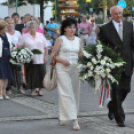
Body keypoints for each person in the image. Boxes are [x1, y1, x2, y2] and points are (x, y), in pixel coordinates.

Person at [99, 6, 134, 127]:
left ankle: (112, 106)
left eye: (120, 13)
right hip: (113, 65)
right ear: (111, 15)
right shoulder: (104, 29)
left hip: (128, 63)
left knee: (126, 89)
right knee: (116, 90)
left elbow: (132, 45)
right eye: (116, 14)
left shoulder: (129, 26)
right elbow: (101, 48)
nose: (118, 15)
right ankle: (120, 117)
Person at [51, 17, 83, 130]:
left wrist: (93, 61)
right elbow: (53, 55)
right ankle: (74, 120)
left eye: (74, 27)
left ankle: (62, 115)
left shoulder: (78, 40)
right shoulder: (60, 39)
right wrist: (62, 60)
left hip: (75, 69)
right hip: (62, 68)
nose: (72, 29)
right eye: (70, 27)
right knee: (66, 93)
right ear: (65, 28)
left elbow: (81, 54)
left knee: (73, 93)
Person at [18, 21, 48, 96]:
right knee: (31, 75)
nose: (32, 29)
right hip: (30, 60)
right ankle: (32, 90)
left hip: (41, 58)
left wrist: (46, 57)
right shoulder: (24, 36)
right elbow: (19, 46)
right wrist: (23, 55)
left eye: (33, 27)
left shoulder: (40, 35)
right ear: (28, 28)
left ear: (36, 28)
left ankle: (40, 89)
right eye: (30, 28)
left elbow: (46, 47)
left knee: (41, 73)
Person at [6, 18, 25, 94]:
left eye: (11, 23)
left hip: (17, 55)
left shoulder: (17, 33)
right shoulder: (4, 33)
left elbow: (21, 44)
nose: (10, 25)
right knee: (9, 71)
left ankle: (19, 87)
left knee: (18, 71)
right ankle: (9, 87)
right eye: (8, 23)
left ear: (14, 24)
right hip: (7, 55)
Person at [0, 21, 14, 100]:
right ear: (1, 29)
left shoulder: (7, 35)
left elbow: (11, 44)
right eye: (5, 28)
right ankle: (0, 93)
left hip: (8, 55)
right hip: (1, 56)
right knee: (1, 76)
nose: (7, 29)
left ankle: (4, 92)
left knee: (7, 75)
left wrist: (13, 49)